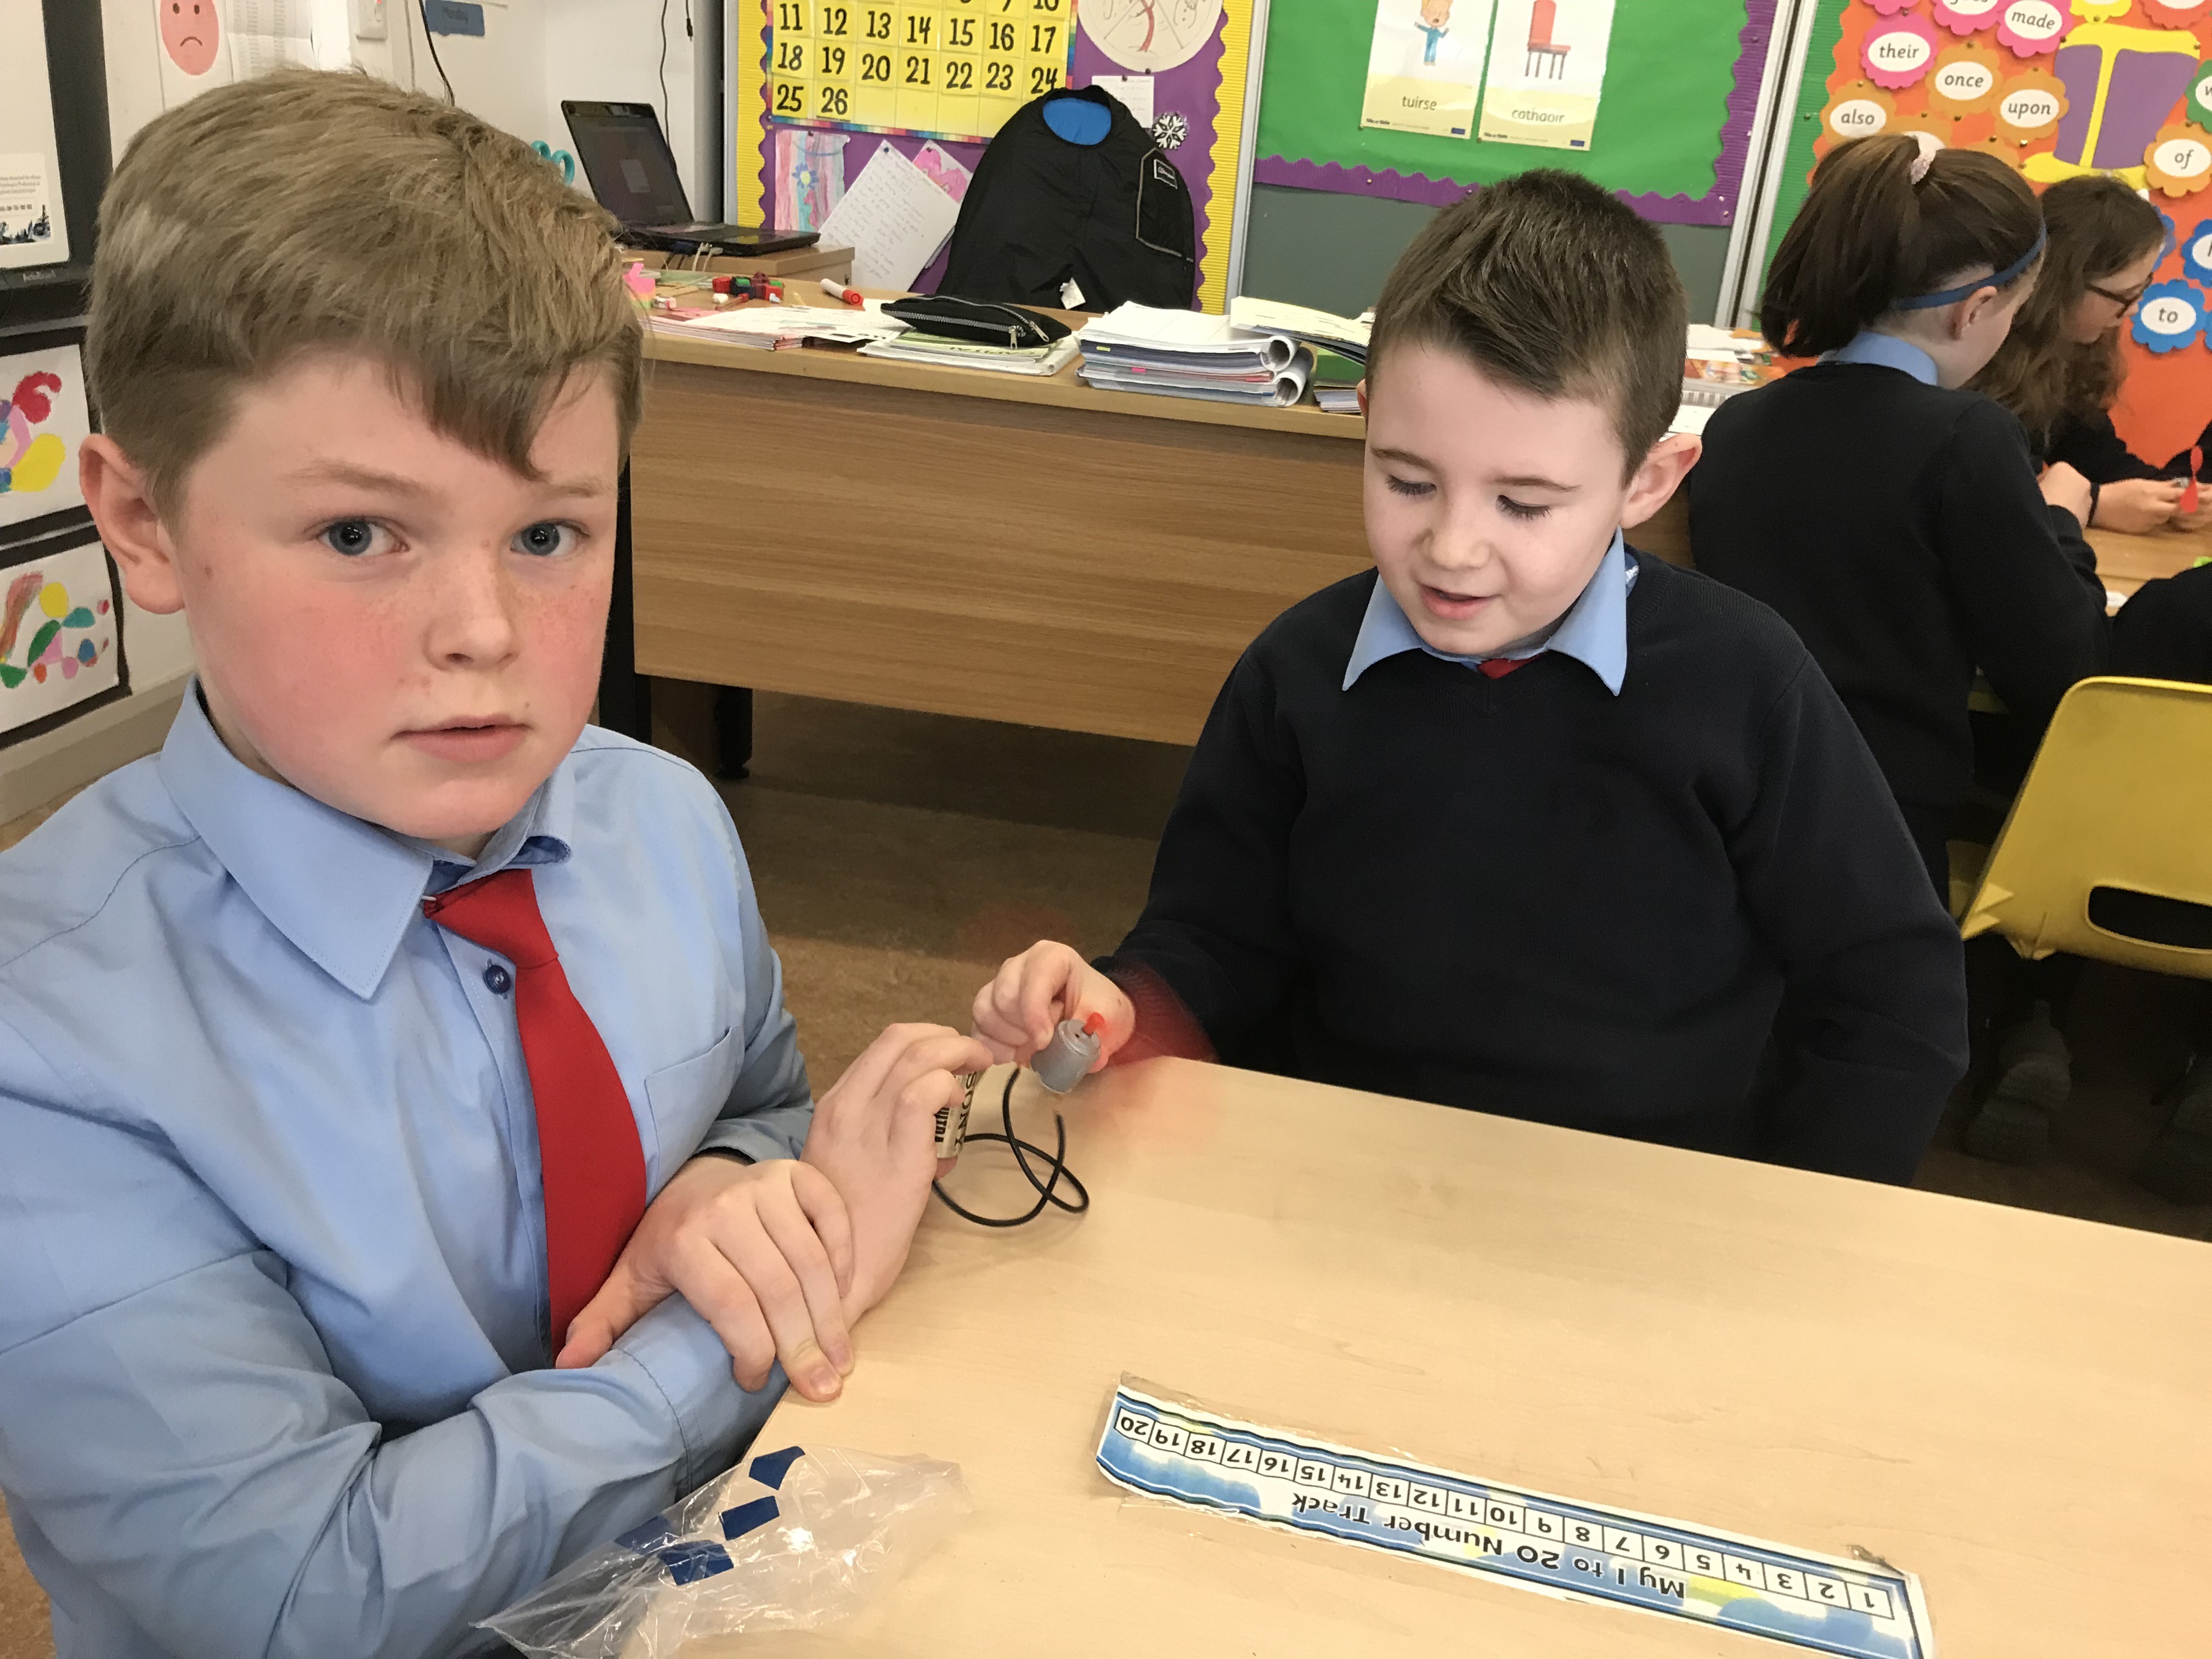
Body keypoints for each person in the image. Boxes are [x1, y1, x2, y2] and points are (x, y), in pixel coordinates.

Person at [0, 71, 989, 1658]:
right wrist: (724, 1333)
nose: (483, 634)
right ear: (146, 522)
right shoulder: (47, 1044)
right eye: (359, 536)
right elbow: (296, 1598)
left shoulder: (662, 821)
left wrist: (734, 1187)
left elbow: (756, 1101)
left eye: (548, 536)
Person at [973, 171, 1967, 1186]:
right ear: (1366, 422)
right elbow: (1212, 938)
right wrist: (1123, 1001)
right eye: (1407, 480)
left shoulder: (1748, 683)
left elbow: (1892, 990)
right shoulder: (1296, 672)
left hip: (1641, 1194)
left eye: (1524, 504)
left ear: (1646, 482)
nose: (1451, 548)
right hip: (1334, 1172)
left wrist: (1794, 1210)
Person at [1689, 133, 2108, 900]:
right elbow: (2064, 671)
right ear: (1977, 309)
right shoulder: (1967, 438)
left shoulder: (1738, 423)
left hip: (1728, 815)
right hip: (1880, 835)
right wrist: (2060, 523)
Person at [1972, 174, 2208, 535]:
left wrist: (2173, 495)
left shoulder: (2069, 356)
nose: (2133, 309)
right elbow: (1983, 490)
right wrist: (2097, 504)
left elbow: (2095, 458)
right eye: (2125, 295)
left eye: (2143, 288)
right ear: (2061, 285)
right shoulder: (1976, 358)